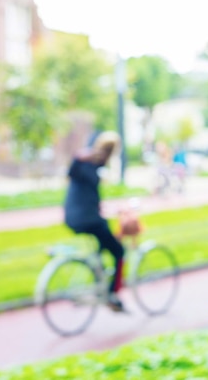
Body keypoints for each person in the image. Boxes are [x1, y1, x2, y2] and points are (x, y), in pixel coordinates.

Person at [63, 131, 126, 312]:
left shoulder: (88, 164)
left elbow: (88, 193)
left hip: (73, 218)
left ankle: (100, 279)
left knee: (102, 241)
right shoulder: (88, 164)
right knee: (119, 250)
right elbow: (74, 171)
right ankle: (112, 294)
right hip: (89, 219)